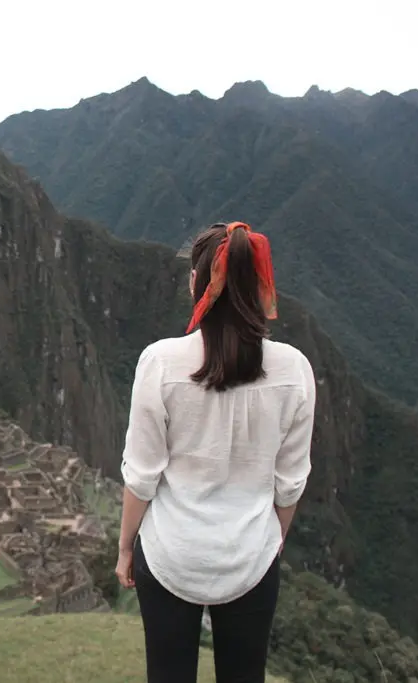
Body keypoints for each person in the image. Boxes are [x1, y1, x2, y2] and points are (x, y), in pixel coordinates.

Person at [114, 221, 316, 683]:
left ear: (195, 284)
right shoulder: (294, 371)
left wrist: (126, 548)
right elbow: (290, 485)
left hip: (169, 555)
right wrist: (271, 542)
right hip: (249, 558)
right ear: (260, 287)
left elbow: (141, 477)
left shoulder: (160, 363)